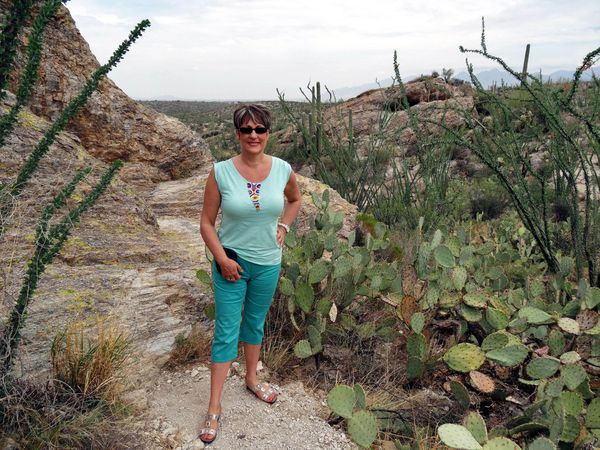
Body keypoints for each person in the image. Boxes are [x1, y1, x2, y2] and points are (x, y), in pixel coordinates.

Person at [198, 104, 301, 443]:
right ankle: (214, 407)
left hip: (269, 263)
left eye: (260, 129)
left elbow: (295, 199)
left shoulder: (283, 169)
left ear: (268, 133)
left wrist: (284, 224)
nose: (253, 135)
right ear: (237, 134)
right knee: (227, 330)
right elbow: (206, 223)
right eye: (247, 130)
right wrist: (222, 260)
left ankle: (252, 380)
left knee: (254, 324)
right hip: (232, 264)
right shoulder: (221, 172)